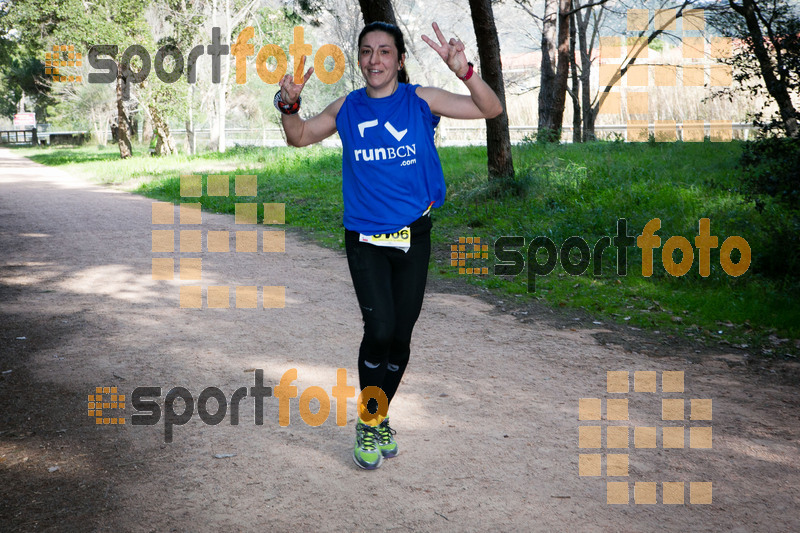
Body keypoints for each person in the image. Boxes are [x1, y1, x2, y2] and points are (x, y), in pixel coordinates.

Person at [276, 21, 502, 469]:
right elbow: (298, 135)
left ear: (399, 59)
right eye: (366, 51)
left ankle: (376, 417)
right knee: (378, 331)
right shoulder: (347, 107)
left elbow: (490, 110)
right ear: (359, 59)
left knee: (400, 337)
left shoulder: (421, 101)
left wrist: (465, 71)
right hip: (364, 236)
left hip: (413, 233)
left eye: (384, 52)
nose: (374, 60)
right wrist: (288, 103)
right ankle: (369, 420)